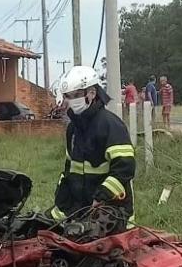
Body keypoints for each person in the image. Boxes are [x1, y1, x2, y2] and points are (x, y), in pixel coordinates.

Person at [51, 65, 136, 225]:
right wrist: (62, 201)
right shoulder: (73, 128)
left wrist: (101, 197)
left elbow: (125, 169)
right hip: (81, 212)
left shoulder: (111, 125)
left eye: (76, 95)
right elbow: (70, 169)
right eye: (68, 96)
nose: (71, 100)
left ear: (92, 93)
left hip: (112, 214)